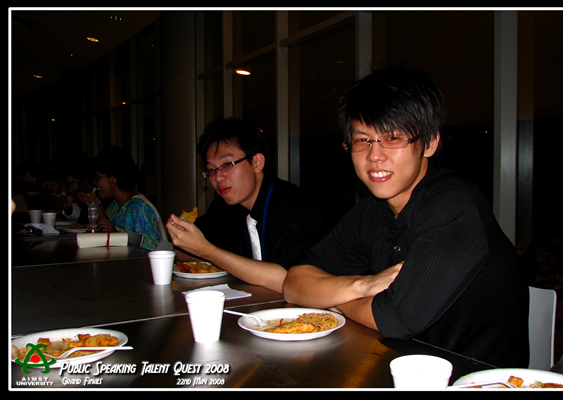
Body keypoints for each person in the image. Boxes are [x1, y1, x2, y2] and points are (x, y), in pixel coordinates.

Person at [282, 65, 530, 368]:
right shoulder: (372, 211)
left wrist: (335, 300)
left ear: (430, 142)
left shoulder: (453, 204)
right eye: (362, 140)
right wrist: (362, 286)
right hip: (403, 365)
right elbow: (294, 283)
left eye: (393, 138)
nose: (374, 155)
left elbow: (395, 318)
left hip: (480, 378)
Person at [166, 117, 327, 293]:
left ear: (257, 163)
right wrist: (179, 240)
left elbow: (290, 280)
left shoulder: (294, 205)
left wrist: (206, 250)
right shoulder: (223, 207)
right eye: (211, 170)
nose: (218, 177)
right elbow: (193, 249)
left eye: (227, 164)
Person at [90, 146, 166, 251]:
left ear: (113, 179)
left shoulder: (139, 208)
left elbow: (151, 250)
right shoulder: (114, 206)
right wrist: (97, 206)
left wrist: (116, 234)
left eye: (98, 177)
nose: (94, 182)